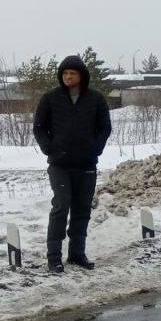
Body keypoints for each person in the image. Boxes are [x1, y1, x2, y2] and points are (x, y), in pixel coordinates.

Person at [32, 55, 112, 272]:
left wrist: (96, 148)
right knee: (61, 206)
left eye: (72, 73)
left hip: (86, 164)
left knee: (82, 209)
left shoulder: (95, 99)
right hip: (60, 164)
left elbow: (105, 127)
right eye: (65, 73)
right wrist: (49, 148)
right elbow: (38, 126)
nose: (68, 77)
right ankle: (54, 257)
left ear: (81, 75)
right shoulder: (51, 98)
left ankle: (77, 254)